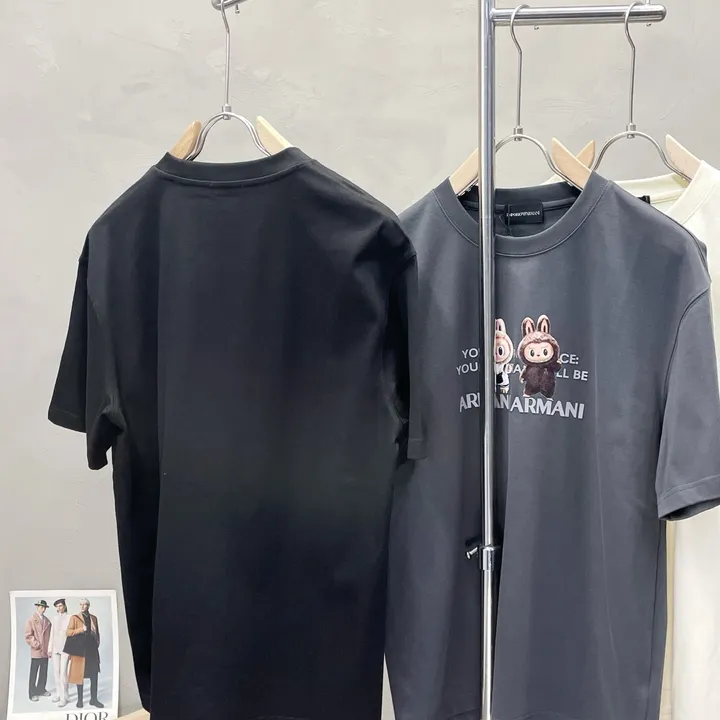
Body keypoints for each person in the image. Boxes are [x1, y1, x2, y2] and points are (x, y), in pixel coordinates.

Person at [64, 599, 103, 709]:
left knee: (94, 675)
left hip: (92, 651)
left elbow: (97, 633)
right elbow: (68, 632)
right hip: (80, 651)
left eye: (84, 604)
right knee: (79, 675)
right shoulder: (74, 618)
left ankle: (94, 699)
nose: (82, 606)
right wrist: (81, 629)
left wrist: (96, 644)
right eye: (80, 604)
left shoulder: (94, 618)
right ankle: (80, 700)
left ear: (88, 606)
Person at [25, 600, 52, 702]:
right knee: (34, 672)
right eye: (41, 607)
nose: (43, 609)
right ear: (37, 607)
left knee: (43, 672)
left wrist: (49, 648)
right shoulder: (31, 620)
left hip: (45, 651)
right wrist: (36, 644)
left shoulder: (47, 621)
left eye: (44, 607)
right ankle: (32, 693)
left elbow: (50, 636)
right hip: (36, 651)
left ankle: (41, 689)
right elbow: (28, 635)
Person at [48, 599, 71, 707]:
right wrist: (49, 649)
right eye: (57, 606)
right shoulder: (55, 618)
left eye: (61, 606)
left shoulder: (70, 617)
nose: (59, 608)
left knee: (63, 674)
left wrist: (71, 650)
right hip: (55, 649)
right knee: (56, 672)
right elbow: (52, 634)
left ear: (64, 606)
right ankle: (58, 694)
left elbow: (71, 636)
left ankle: (64, 697)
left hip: (66, 649)